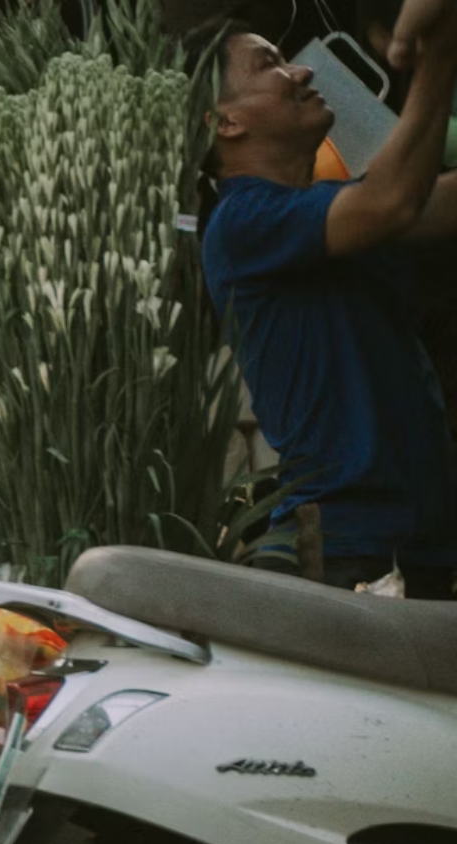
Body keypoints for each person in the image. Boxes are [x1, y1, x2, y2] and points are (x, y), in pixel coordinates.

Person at [197, 13, 457, 597]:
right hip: (346, 554)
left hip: (421, 545)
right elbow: (394, 202)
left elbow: (427, 203)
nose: (302, 69)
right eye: (269, 65)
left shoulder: (330, 208)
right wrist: (439, 53)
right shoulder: (241, 224)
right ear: (227, 122)